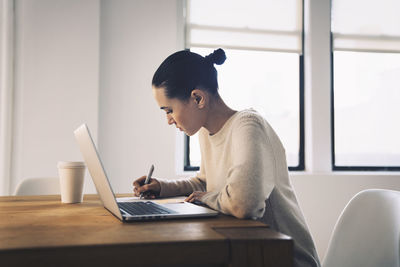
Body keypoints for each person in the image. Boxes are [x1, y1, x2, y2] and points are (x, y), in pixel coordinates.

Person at [133, 48, 321, 267]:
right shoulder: (205, 131)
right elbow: (207, 182)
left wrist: (204, 198)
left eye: (168, 110)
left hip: (282, 258)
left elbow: (243, 204)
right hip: (247, 253)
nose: (168, 120)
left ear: (197, 98)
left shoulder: (249, 126)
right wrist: (162, 187)